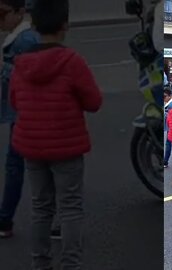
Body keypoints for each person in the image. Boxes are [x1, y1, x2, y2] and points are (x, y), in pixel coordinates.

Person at [10, 0, 103, 268]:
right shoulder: (71, 61)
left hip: (31, 146)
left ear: (34, 25)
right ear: (65, 25)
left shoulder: (21, 64)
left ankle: (41, 263)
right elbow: (93, 101)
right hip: (66, 147)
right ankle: (69, 264)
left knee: (41, 207)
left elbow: (15, 101)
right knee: (71, 207)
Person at [0, 0, 40, 238]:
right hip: (24, 112)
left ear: (19, 12)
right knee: (22, 166)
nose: (0, 19)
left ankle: (6, 219)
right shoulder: (20, 37)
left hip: (26, 113)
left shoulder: (24, 40)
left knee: (19, 166)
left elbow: (28, 77)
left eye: (3, 13)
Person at [164, 88, 172, 168]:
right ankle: (165, 161)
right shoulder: (169, 104)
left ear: (170, 96)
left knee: (171, 145)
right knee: (171, 145)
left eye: (165, 96)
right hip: (171, 128)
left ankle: (165, 161)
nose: (164, 98)